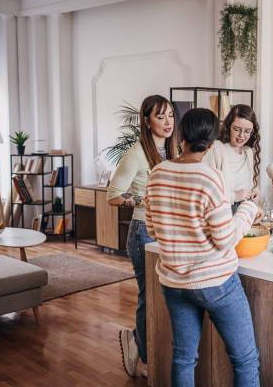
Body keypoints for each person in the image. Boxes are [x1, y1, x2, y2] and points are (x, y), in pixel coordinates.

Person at [145, 108, 261, 386]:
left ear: (182, 135)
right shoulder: (210, 178)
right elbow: (225, 240)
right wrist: (248, 209)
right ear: (211, 144)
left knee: (184, 358)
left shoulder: (157, 174)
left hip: (174, 283)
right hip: (216, 283)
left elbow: (152, 229)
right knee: (245, 359)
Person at [107, 94, 178, 377]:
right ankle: (147, 357)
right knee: (149, 297)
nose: (168, 122)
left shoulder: (174, 152)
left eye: (171, 115)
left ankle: (139, 340)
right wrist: (140, 199)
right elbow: (113, 196)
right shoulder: (136, 153)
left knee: (165, 296)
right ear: (147, 122)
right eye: (160, 116)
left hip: (169, 232)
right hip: (143, 232)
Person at [204, 104, 261, 212]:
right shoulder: (216, 148)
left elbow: (252, 185)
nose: (241, 135)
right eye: (237, 129)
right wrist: (234, 196)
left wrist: (256, 194)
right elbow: (206, 190)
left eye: (247, 131)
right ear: (228, 126)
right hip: (223, 213)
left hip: (245, 212)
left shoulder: (247, 152)